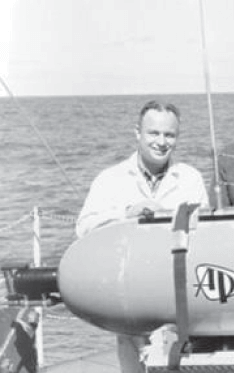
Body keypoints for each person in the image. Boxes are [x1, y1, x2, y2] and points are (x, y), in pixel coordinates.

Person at [76, 100, 209, 373]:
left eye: (169, 135)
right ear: (137, 132)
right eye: (153, 133)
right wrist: (127, 214)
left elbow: (204, 234)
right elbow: (84, 228)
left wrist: (168, 218)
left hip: (175, 295)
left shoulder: (190, 178)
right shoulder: (110, 179)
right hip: (130, 296)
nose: (161, 142)